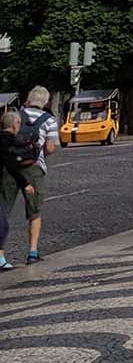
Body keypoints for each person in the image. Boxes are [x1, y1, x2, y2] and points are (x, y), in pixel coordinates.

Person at [2, 86, 58, 265]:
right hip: (33, 168)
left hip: (10, 168)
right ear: (45, 102)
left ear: (28, 99)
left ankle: (1, 255)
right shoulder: (49, 120)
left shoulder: (16, 115)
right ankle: (32, 252)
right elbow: (50, 148)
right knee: (34, 211)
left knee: (3, 209)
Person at [1, 108, 42, 270]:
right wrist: (25, 183)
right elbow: (10, 164)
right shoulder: (7, 141)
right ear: (15, 125)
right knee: (2, 221)